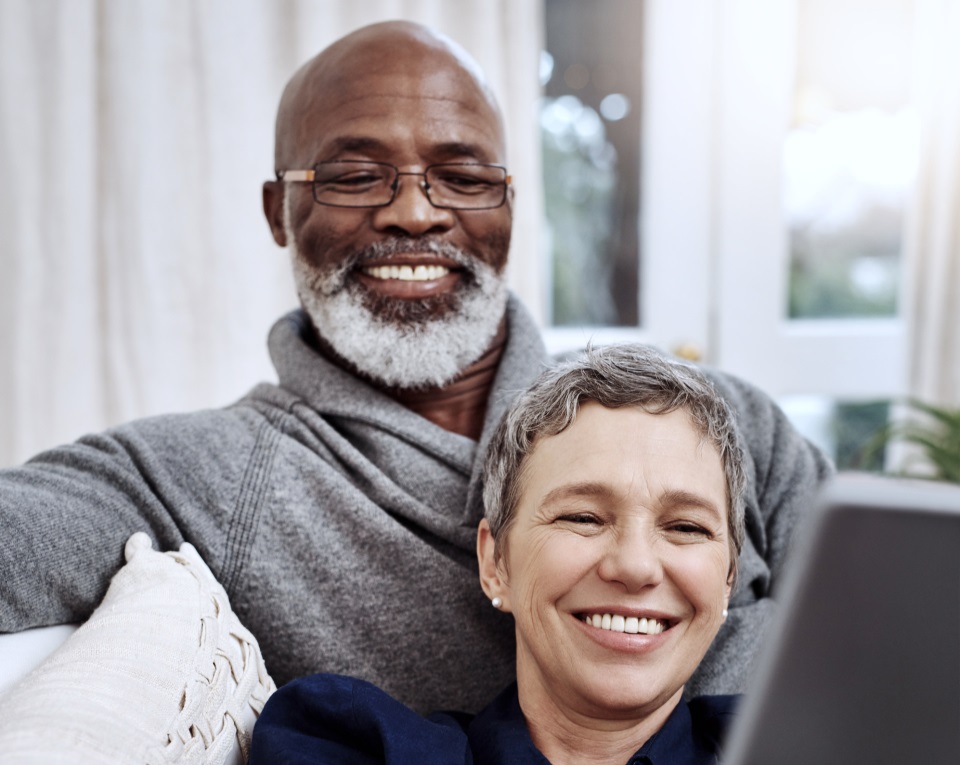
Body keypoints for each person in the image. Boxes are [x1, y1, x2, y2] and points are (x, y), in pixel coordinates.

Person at [0, 21, 832, 715]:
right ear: (278, 212)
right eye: (356, 174)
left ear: (508, 207)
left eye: (463, 176)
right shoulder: (198, 479)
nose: (414, 211)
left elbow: (894, 610)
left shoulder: (726, 422)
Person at [249, 344, 746, 764]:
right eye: (582, 518)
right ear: (495, 565)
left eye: (685, 526)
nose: (635, 566)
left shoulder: (806, 742)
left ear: (728, 577)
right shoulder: (352, 745)